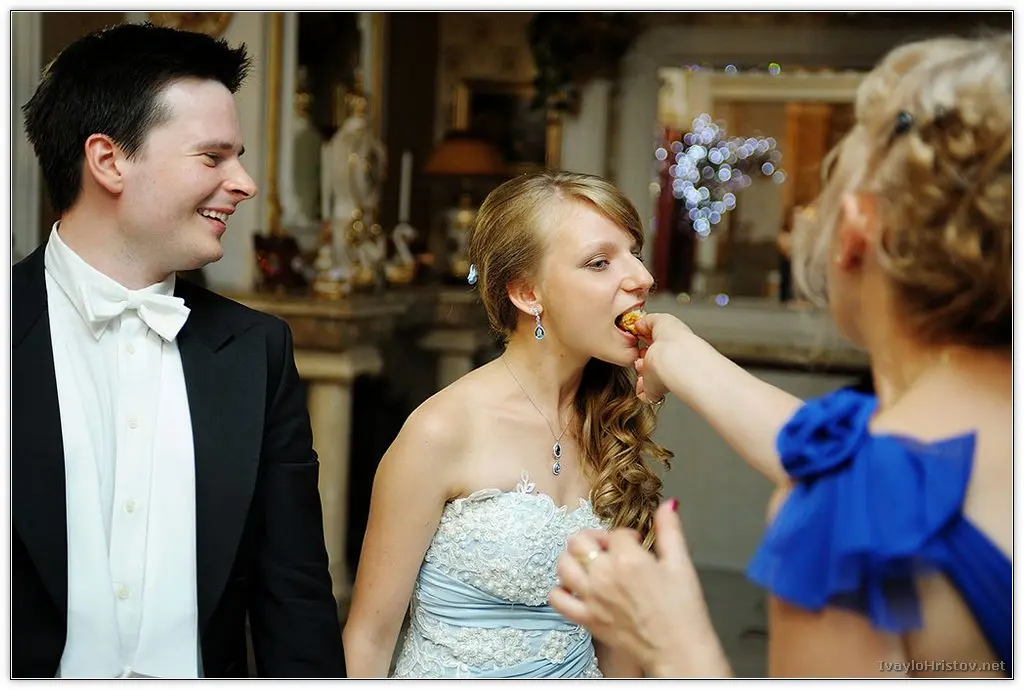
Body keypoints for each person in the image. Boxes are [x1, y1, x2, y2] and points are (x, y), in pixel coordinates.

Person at [550, 33, 1011, 678]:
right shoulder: (893, 463)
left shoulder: (845, 511)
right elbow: (834, 451)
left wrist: (671, 643)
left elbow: (848, 475)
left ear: (854, 233)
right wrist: (687, 356)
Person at [13, 23, 343, 678]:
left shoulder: (257, 352)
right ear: (109, 160)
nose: (245, 183)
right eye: (213, 157)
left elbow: (294, 598)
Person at [343, 171, 672, 678]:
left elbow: (616, 643)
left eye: (635, 253)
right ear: (526, 293)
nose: (642, 278)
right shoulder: (441, 431)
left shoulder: (610, 416)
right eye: (600, 262)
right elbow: (368, 639)